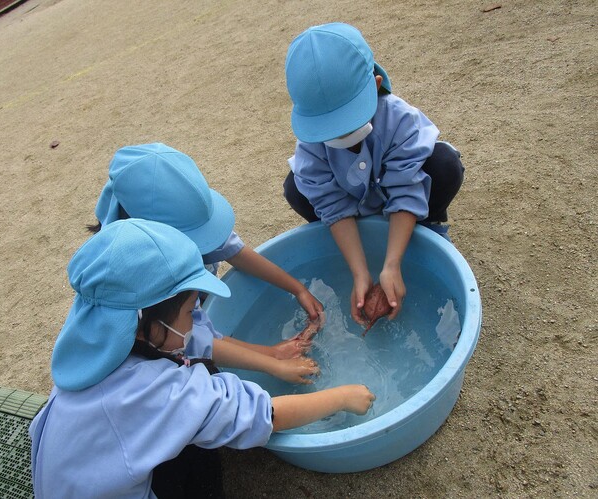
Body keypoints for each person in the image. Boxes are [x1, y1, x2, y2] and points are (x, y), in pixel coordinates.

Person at [30, 218, 375, 498]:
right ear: (146, 324)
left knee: (196, 370)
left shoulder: (96, 346)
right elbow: (266, 415)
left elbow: (193, 347)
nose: (197, 319)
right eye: (189, 309)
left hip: (77, 480)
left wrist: (273, 356)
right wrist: (343, 396)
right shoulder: (159, 393)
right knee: (200, 428)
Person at [283, 22, 465, 324]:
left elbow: (407, 186)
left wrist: (392, 264)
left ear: (376, 85)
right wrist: (360, 272)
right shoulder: (311, 146)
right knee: (295, 187)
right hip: (351, 202)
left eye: (349, 122)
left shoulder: (398, 119)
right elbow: (330, 204)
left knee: (444, 165)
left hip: (399, 192)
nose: (340, 135)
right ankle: (360, 236)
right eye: (329, 128)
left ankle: (428, 225)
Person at [90, 142, 324, 362]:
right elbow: (193, 339)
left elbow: (234, 251)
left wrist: (298, 288)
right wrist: (272, 356)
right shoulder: (142, 280)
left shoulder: (175, 220)